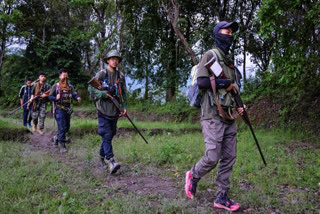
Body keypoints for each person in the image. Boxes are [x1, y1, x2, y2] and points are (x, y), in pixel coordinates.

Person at [185, 21, 245, 212]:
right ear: (217, 34)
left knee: (229, 157)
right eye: (225, 31)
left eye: (231, 32)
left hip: (228, 115)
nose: (229, 35)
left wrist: (240, 105)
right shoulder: (210, 56)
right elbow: (202, 82)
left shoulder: (229, 62)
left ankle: (221, 196)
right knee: (212, 157)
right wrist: (223, 82)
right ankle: (193, 176)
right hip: (211, 114)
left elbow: (232, 91)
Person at [89, 50, 127, 174]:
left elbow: (124, 94)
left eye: (117, 59)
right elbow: (91, 88)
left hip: (114, 111)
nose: (115, 61)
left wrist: (124, 107)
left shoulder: (120, 76)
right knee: (106, 134)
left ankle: (101, 157)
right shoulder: (102, 74)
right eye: (112, 59)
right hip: (103, 110)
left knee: (110, 135)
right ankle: (111, 161)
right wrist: (102, 94)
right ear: (108, 61)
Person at [49, 69, 81, 153]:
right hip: (59, 109)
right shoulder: (56, 86)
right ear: (60, 76)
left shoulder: (70, 86)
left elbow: (74, 94)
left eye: (66, 76)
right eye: (63, 75)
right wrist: (56, 98)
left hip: (68, 109)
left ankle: (56, 138)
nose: (65, 77)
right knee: (62, 127)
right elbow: (49, 96)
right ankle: (62, 146)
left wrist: (77, 98)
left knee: (66, 127)